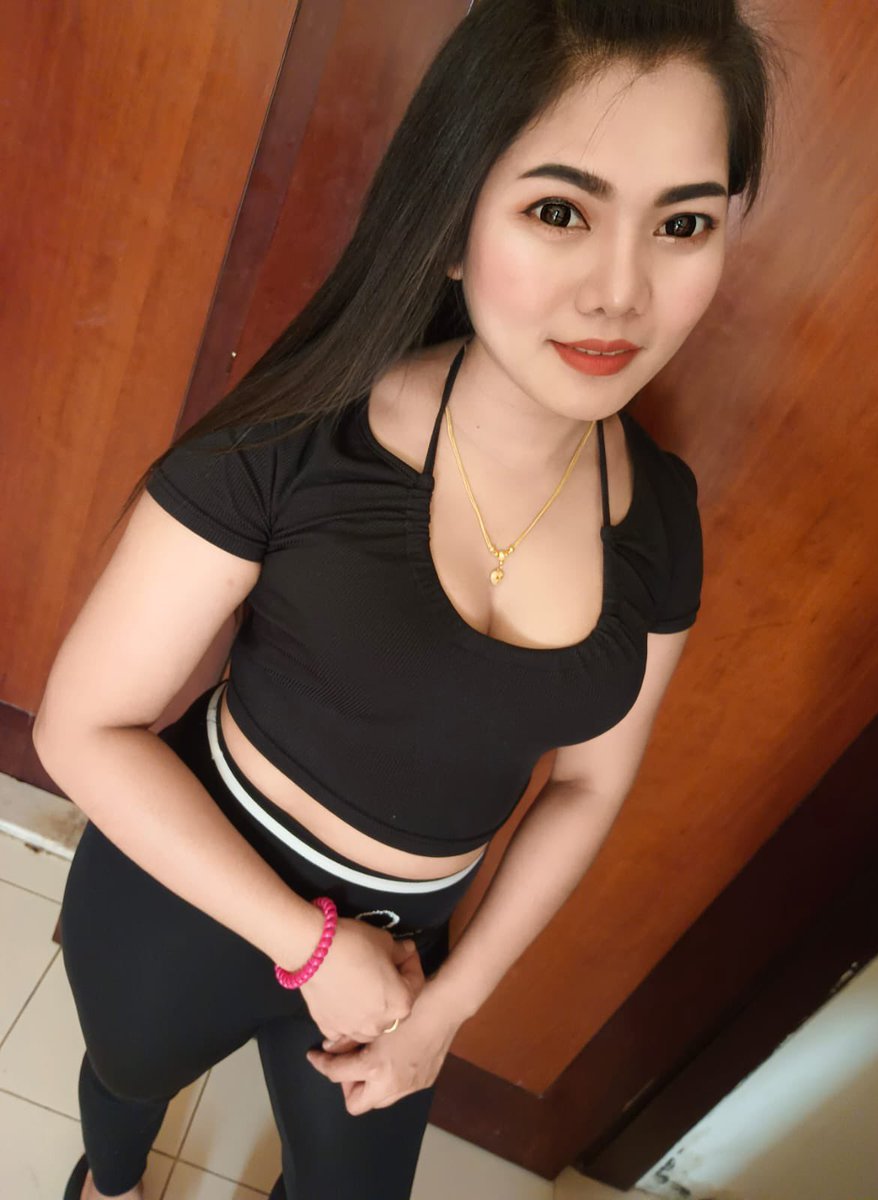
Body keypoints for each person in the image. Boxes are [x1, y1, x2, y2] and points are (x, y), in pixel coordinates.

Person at [33, 2, 781, 1198]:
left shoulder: (662, 522)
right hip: (191, 890)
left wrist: (446, 1008)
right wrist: (313, 948)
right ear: (454, 219)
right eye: (559, 211)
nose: (621, 292)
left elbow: (589, 785)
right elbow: (81, 730)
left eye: (683, 223)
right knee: (124, 1091)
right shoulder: (292, 441)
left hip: (413, 948)